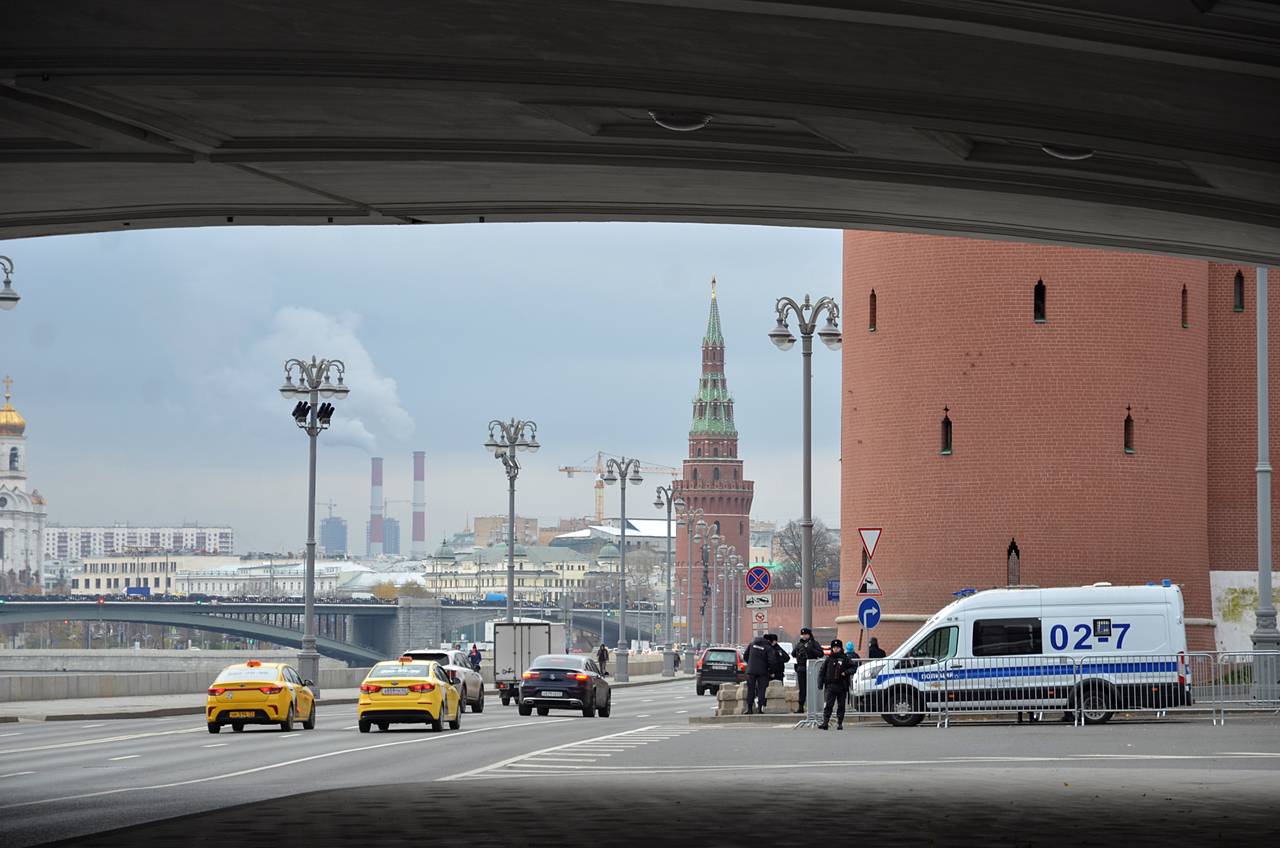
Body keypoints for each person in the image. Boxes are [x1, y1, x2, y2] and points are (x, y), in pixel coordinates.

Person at [817, 639, 857, 730]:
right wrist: (820, 683)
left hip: (842, 686)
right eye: (834, 647)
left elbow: (854, 667)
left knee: (841, 705)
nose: (835, 649)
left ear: (840, 648)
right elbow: (822, 671)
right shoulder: (828, 659)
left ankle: (840, 723)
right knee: (828, 705)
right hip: (830, 686)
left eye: (837, 647)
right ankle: (825, 722)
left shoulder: (845, 658)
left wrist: (846, 672)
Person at [792, 627, 825, 714]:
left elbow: (821, 654)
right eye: (802, 634)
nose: (804, 636)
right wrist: (797, 649)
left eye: (805, 634)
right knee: (802, 689)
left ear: (809, 635)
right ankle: (801, 707)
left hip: (811, 669)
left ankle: (813, 708)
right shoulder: (799, 643)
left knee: (812, 689)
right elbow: (793, 654)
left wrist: (811, 649)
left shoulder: (814, 643)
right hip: (801, 668)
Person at [742, 634, 772, 714]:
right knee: (761, 690)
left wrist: (750, 664)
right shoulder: (768, 647)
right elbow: (771, 660)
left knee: (750, 689)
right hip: (763, 671)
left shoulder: (752, 644)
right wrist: (769, 669)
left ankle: (749, 709)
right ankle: (760, 709)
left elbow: (745, 656)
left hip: (751, 671)